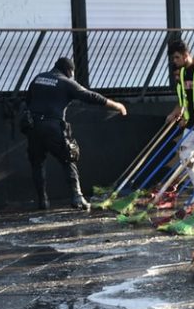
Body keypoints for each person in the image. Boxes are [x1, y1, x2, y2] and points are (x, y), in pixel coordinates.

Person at [25, 57, 127, 210]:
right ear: (68, 70)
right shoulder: (65, 82)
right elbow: (90, 96)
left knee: (37, 164)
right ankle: (77, 197)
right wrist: (116, 105)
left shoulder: (38, 78)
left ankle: (42, 201)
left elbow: (28, 101)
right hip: (53, 126)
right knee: (68, 159)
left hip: (33, 126)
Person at [165, 40, 194, 209]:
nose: (175, 61)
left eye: (177, 57)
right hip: (190, 125)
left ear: (186, 55)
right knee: (185, 156)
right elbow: (183, 100)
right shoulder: (183, 73)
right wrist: (175, 114)